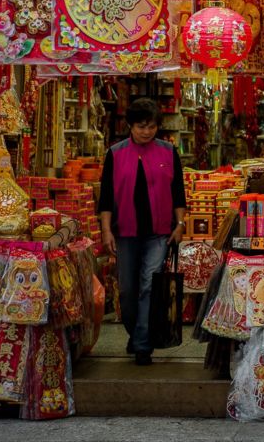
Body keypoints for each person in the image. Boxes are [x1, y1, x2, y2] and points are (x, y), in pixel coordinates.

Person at [98, 98, 187, 365]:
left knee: (149, 285)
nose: (146, 132)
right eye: (141, 126)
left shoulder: (169, 152)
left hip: (159, 232)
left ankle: (142, 344)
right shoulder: (115, 153)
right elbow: (105, 197)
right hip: (125, 231)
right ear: (129, 126)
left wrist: (180, 225)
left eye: (151, 126)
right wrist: (106, 230)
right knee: (126, 290)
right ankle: (136, 332)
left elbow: (178, 193)